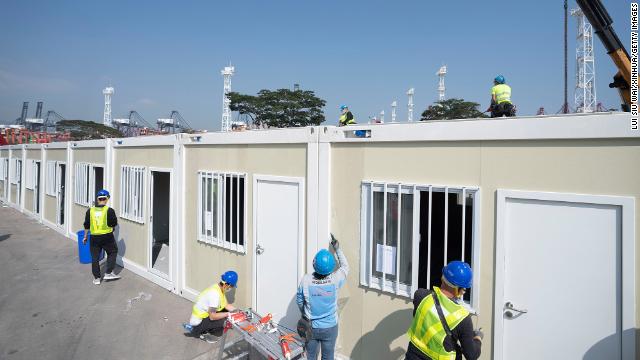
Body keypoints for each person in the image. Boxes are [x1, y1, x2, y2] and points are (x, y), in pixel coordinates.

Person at [405, 261, 482, 360]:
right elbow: (471, 355)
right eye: (464, 289)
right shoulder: (463, 319)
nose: (464, 292)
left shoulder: (420, 296)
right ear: (458, 289)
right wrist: (478, 338)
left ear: (443, 277)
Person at [296, 235, 349, 360]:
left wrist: (305, 313)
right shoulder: (336, 279)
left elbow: (299, 301)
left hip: (311, 327)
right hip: (330, 328)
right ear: (330, 268)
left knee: (311, 356)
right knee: (328, 356)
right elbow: (345, 267)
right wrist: (337, 249)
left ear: (314, 264)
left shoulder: (306, 280)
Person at [182, 271, 238, 343]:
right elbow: (212, 316)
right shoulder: (214, 295)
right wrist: (229, 314)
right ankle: (198, 331)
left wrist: (237, 311)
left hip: (203, 316)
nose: (231, 288)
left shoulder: (218, 288)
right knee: (224, 320)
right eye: (232, 286)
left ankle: (203, 328)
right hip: (198, 321)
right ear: (228, 285)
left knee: (224, 313)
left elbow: (225, 305)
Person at [83, 189, 120, 285]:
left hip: (94, 237)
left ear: (98, 199)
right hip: (107, 237)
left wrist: (85, 236)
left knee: (95, 257)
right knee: (112, 252)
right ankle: (108, 272)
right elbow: (114, 224)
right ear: (107, 198)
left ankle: (97, 278)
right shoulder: (109, 210)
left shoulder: (90, 210)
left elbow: (87, 225)